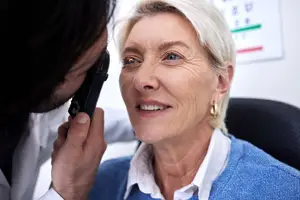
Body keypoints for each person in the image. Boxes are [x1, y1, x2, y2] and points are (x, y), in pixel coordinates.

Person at [87, 0, 300, 199]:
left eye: (171, 56)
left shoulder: (284, 190)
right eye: (131, 60)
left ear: (220, 82)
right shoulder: (99, 183)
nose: (142, 80)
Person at [1, 0, 135, 199]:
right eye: (85, 70)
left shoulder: (28, 111)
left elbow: (56, 126)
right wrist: (66, 192)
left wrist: (142, 120)